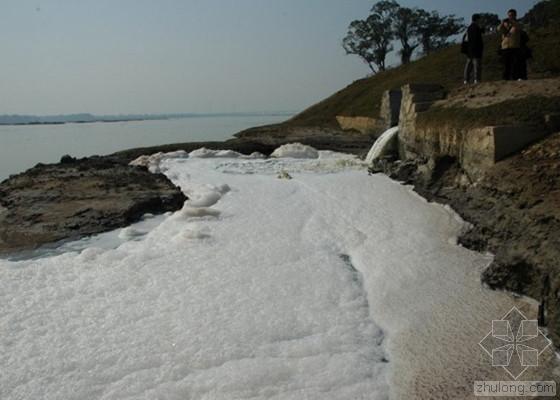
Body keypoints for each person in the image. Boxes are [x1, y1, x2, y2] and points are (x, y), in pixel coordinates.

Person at [497, 9, 523, 80]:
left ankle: (516, 77)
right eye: (509, 15)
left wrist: (512, 22)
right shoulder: (505, 24)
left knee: (516, 63)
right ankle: (505, 78)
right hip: (505, 46)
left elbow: (519, 27)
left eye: (511, 15)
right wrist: (502, 23)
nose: (510, 17)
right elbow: (498, 30)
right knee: (506, 64)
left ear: (515, 15)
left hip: (514, 46)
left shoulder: (517, 24)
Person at [463, 14, 484, 84]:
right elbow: (477, 38)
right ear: (477, 19)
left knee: (468, 65)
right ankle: (476, 79)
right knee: (476, 65)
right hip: (476, 49)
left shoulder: (469, 27)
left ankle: (466, 80)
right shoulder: (476, 27)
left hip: (469, 49)